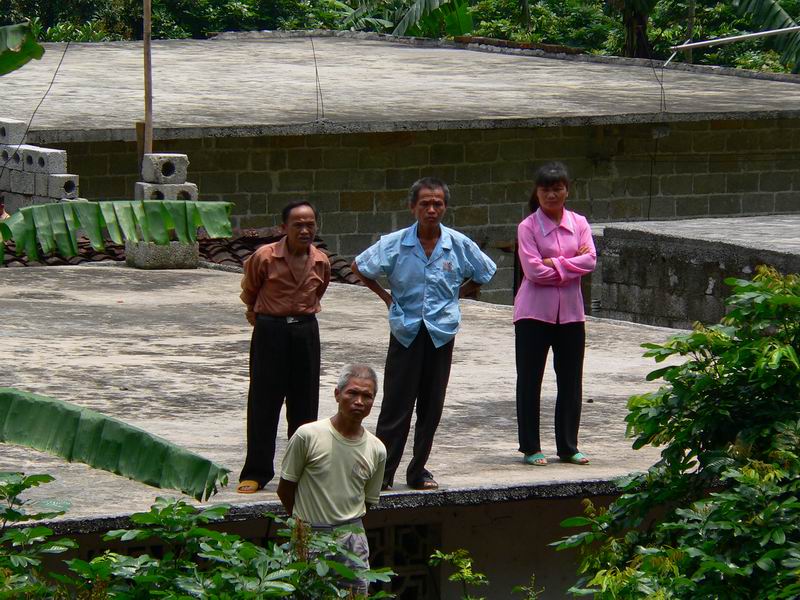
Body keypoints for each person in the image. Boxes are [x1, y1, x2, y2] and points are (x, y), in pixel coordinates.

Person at [351, 177, 496, 490]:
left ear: (445, 207)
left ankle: (418, 471)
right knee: (396, 406)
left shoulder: (457, 243)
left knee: (431, 406)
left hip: (441, 332)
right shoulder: (395, 242)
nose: (432, 210)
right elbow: (360, 266)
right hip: (406, 331)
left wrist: (457, 294)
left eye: (438, 204)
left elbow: (486, 271)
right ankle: (382, 473)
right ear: (412, 207)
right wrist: (387, 298)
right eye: (425, 204)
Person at [237, 201, 331, 494]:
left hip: (305, 330)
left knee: (305, 404)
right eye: (298, 225)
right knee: (264, 402)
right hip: (270, 330)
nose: (305, 230)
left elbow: (319, 290)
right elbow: (250, 290)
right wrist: (259, 315)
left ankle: (299, 472)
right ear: (283, 228)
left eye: (310, 224)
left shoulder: (321, 261)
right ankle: (256, 471)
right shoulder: (265, 257)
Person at [277, 364, 386, 596]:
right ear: (337, 394)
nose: (359, 401)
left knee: (356, 594)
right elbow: (285, 489)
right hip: (310, 535)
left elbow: (367, 501)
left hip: (352, 537)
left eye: (367, 396)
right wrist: (304, 527)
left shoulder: (377, 449)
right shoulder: (308, 435)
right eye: (352, 393)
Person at [514, 162, 596, 467]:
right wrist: (570, 263)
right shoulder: (528, 227)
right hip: (533, 314)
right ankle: (530, 447)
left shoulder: (580, 223)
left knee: (571, 380)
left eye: (557, 188)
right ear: (537, 192)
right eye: (546, 189)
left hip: (571, 314)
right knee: (530, 379)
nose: (552, 194)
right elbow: (533, 271)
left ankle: (568, 446)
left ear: (567, 190)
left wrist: (554, 262)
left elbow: (591, 261)